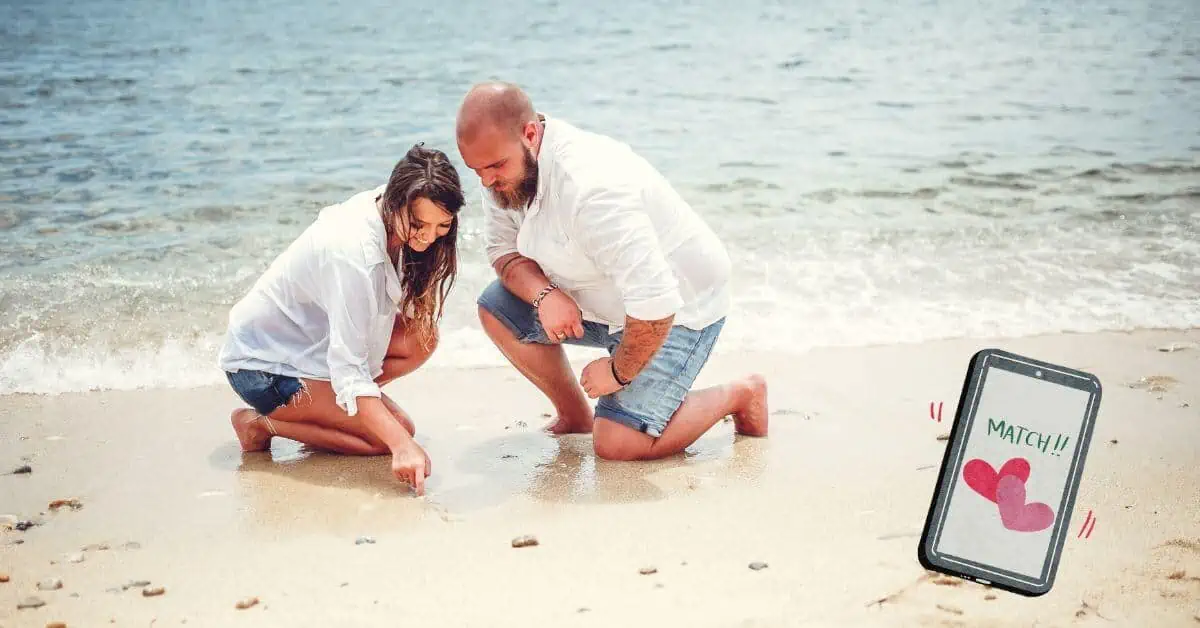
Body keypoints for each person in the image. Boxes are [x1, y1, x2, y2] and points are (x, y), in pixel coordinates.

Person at [455, 81, 769, 462]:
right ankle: (575, 417)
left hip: (680, 310)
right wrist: (545, 295)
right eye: (476, 171)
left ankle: (741, 393)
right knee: (498, 308)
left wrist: (618, 373)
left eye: (495, 167)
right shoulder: (504, 174)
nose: (487, 182)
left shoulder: (591, 189)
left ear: (531, 134)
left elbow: (656, 302)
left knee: (618, 446)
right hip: (605, 301)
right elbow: (502, 251)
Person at [217, 143, 465, 494]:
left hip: (310, 350)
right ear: (395, 201)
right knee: (392, 436)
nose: (427, 238)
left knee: (421, 337)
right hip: (263, 368)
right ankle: (260, 424)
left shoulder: (392, 207)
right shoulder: (353, 254)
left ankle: (336, 416)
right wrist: (400, 445)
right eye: (418, 224)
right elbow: (349, 370)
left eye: (442, 225)